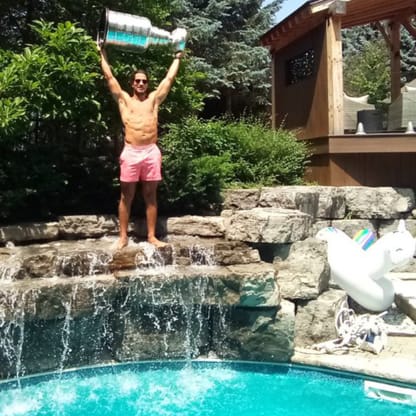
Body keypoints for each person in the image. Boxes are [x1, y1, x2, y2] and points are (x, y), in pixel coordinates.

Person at [98, 45, 183, 249]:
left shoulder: (154, 100)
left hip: (151, 152)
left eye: (144, 81)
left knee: (150, 195)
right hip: (131, 151)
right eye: (137, 81)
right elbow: (110, 78)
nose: (141, 83)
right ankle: (123, 237)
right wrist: (102, 53)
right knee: (126, 195)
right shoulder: (124, 100)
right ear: (132, 83)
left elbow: (168, 80)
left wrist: (177, 58)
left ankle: (152, 236)